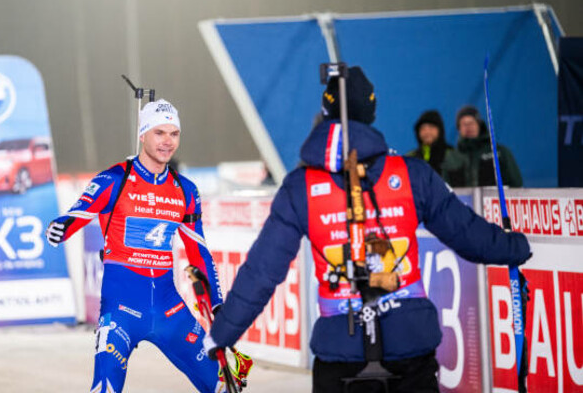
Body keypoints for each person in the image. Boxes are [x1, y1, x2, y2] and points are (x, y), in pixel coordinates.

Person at [203, 67, 531, 392]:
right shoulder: (412, 173)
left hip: (340, 353)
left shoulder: (300, 186)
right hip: (410, 347)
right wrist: (514, 247)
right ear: (371, 113)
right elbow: (469, 235)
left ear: (325, 111)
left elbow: (262, 272)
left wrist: (222, 334)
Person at [46, 99, 225, 393]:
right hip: (122, 311)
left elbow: (198, 252)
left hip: (170, 311)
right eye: (159, 133)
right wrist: (61, 227)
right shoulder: (114, 179)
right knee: (105, 387)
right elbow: (78, 213)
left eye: (174, 134)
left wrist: (216, 303)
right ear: (142, 134)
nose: (167, 142)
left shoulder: (186, 190)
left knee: (222, 385)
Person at [456, 105, 523, 187]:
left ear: (479, 125)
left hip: (494, 199)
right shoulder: (452, 157)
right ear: (459, 129)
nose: (468, 127)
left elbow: (516, 183)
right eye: (464, 124)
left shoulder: (499, 152)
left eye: (471, 123)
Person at [406, 110, 468, 186]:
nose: (427, 132)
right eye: (423, 128)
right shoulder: (410, 159)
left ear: (440, 130)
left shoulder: (455, 157)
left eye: (431, 127)